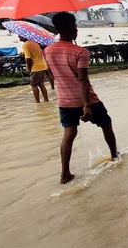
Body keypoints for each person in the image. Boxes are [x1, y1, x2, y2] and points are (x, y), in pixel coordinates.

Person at [47, 12, 118, 184]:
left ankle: (65, 174)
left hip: (64, 100)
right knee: (106, 124)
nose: (77, 29)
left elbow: (51, 75)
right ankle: (115, 156)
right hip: (88, 100)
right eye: (75, 26)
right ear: (72, 27)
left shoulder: (47, 51)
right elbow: (83, 79)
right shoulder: (81, 52)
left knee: (69, 134)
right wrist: (86, 105)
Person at [19, 35, 53, 103]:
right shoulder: (35, 43)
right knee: (41, 84)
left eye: (20, 36)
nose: (18, 37)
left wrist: (29, 68)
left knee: (33, 84)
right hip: (43, 66)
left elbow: (29, 59)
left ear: (25, 37)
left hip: (36, 67)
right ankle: (46, 100)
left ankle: (37, 102)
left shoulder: (26, 45)